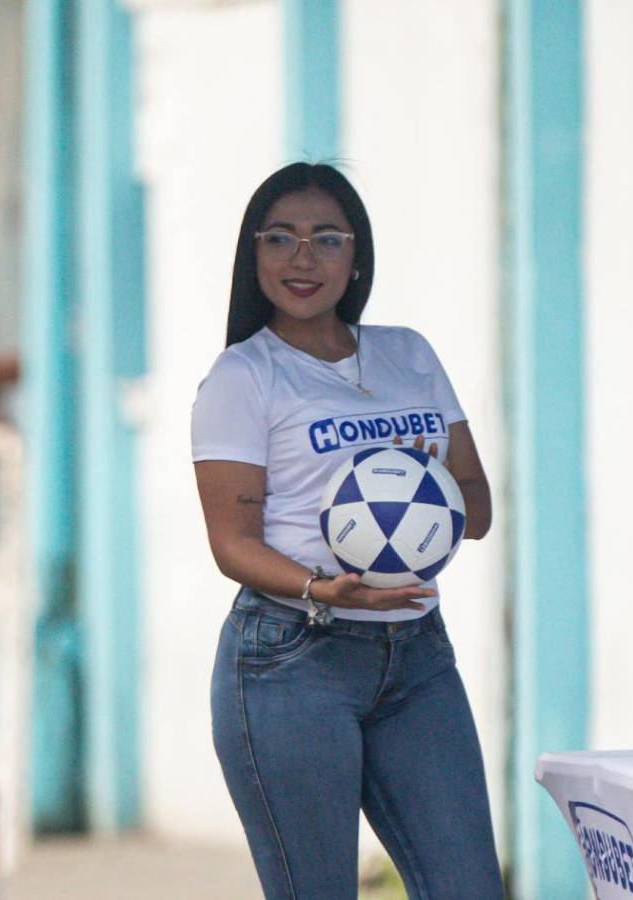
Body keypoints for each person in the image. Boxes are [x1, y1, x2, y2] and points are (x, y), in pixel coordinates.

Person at [191, 162, 504, 899]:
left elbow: (479, 509)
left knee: (469, 888)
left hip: (419, 657)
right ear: (254, 254)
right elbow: (230, 544)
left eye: (326, 239)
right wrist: (320, 587)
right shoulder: (243, 377)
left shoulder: (409, 354)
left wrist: (423, 496)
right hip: (293, 659)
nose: (304, 259)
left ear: (356, 255)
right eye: (281, 239)